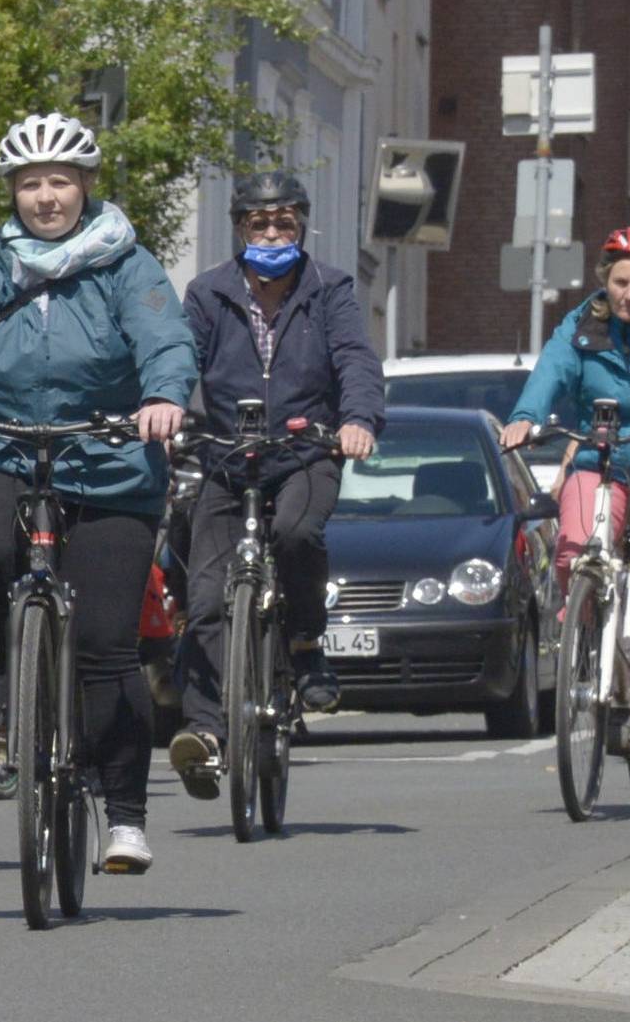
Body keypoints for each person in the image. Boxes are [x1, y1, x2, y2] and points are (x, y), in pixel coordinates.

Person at [0, 113, 196, 874]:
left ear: (86, 185)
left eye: (59, 180)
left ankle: (124, 816)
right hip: (2, 443)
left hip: (108, 460)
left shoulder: (126, 260)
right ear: (13, 193)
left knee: (104, 645)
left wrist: (162, 396)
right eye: (30, 184)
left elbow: (163, 335)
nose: (45, 196)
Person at [166, 170, 383, 800]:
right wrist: (166, 405)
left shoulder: (331, 288)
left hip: (305, 450)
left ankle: (306, 643)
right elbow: (181, 359)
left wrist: (357, 422)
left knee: (295, 532)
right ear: (239, 228)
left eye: (283, 221)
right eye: (258, 222)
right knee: (206, 596)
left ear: (301, 225)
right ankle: (204, 731)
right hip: (228, 456)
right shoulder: (208, 292)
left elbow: (355, 360)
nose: (270, 231)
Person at [502, 226, 630, 765]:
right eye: (620, 283)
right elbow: (551, 374)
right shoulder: (581, 327)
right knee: (574, 548)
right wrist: (525, 417)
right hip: (601, 462)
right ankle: (590, 640)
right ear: (605, 281)